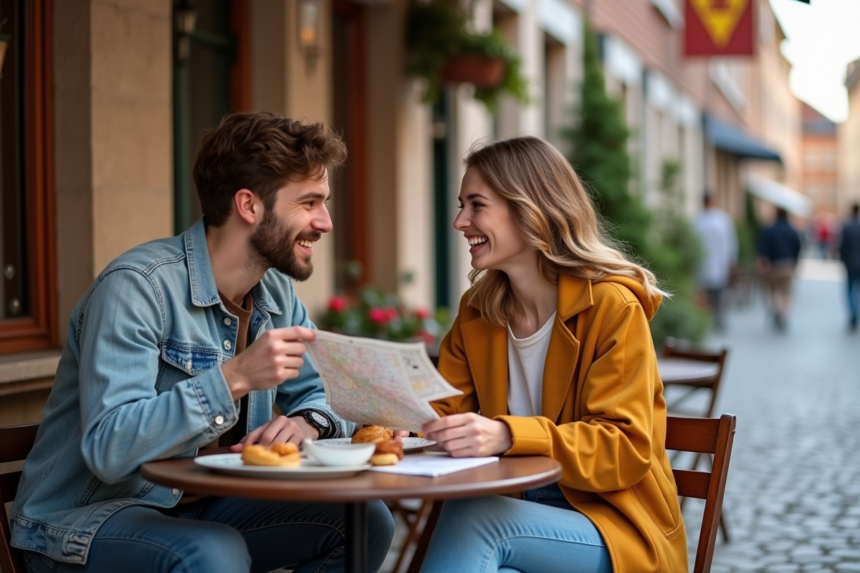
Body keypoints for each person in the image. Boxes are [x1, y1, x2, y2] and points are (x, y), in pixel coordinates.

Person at [10, 112, 394, 573]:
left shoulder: (275, 295)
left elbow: (331, 395)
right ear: (249, 206)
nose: (326, 222)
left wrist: (309, 421)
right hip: (84, 524)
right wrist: (232, 378)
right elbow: (109, 451)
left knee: (364, 521)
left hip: (203, 509)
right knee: (212, 552)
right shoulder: (137, 288)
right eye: (310, 202)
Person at [418, 137, 687, 573]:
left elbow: (625, 448)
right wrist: (389, 412)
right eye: (460, 205)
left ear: (529, 210)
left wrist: (508, 435)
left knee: (477, 519)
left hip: (614, 525)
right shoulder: (478, 311)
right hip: (521, 512)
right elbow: (438, 409)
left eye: (476, 205)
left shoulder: (612, 307)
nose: (460, 221)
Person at [693, 193, 738, 331]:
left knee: (712, 292)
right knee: (714, 293)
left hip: (711, 263)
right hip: (715, 263)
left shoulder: (700, 221)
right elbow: (731, 242)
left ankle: (712, 318)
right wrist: (731, 260)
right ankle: (714, 318)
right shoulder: (720, 220)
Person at [757, 207, 802, 331]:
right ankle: (784, 315)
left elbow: (763, 250)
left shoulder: (770, 230)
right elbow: (798, 247)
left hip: (774, 265)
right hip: (788, 265)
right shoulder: (792, 230)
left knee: (774, 291)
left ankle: (777, 311)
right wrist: (795, 262)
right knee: (787, 293)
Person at [839, 203, 860, 331]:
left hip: (850, 264)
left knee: (850, 291)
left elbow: (843, 247)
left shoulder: (847, 227)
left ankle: (853, 313)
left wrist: (843, 260)